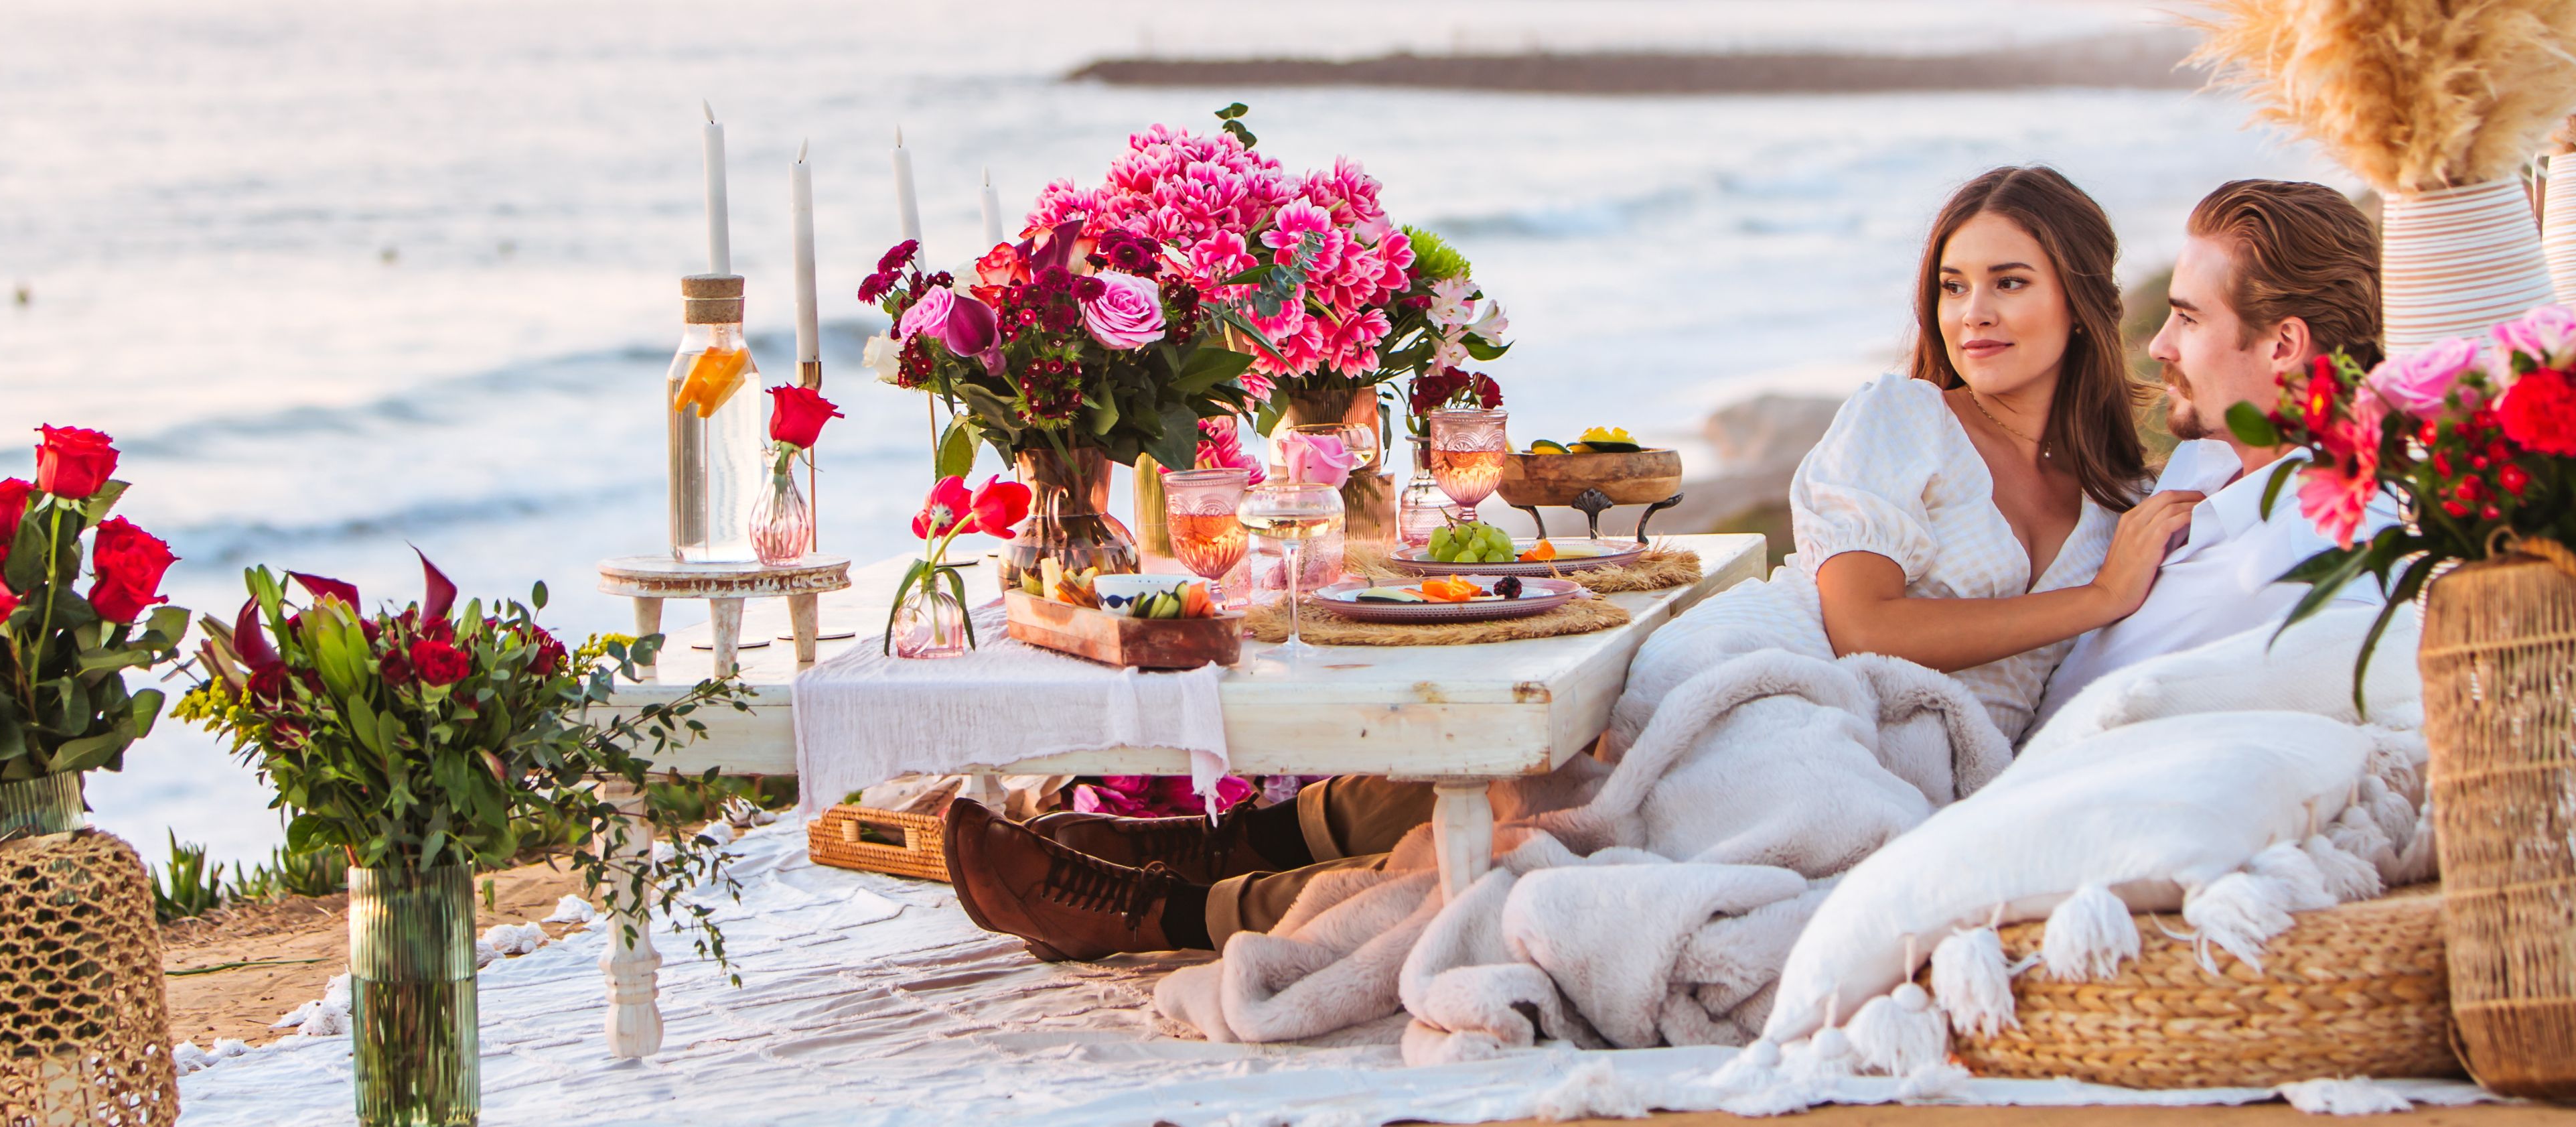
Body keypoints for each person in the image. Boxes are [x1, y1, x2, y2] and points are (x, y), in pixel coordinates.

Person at [938, 165, 2200, 962]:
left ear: (2083, 297)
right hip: (1800, 673)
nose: (1969, 314)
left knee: (1569, 833)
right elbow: (1864, 621)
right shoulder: (1905, 418)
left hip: (1923, 755)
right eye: (1951, 285)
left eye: (2008, 283)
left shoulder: (2119, 499)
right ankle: (1155, 899)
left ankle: (1191, 877)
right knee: (1558, 819)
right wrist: (2088, 601)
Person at [2031, 178, 2394, 726]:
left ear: (2283, 346)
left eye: (2189, 318)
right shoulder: (2213, 459)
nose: (2159, 346)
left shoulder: (2315, 555)